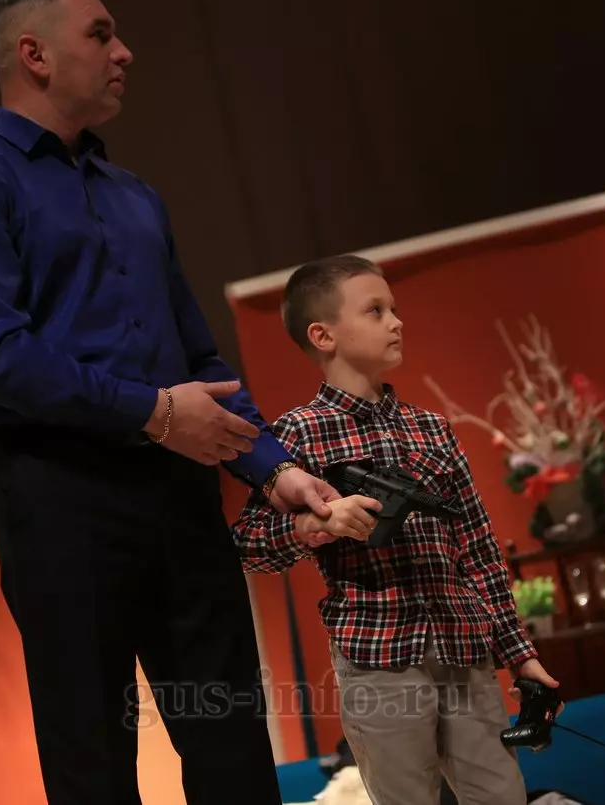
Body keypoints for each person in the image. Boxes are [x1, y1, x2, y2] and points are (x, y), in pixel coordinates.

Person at [0, 0, 340, 805]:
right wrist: (153, 412)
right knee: (94, 760)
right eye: (101, 34)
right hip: (57, 499)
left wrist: (274, 467)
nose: (125, 52)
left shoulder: (137, 197)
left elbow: (199, 358)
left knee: (231, 742)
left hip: (178, 494)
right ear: (34, 54)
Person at [233, 255, 561, 805]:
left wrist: (519, 653)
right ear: (323, 335)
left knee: (502, 796)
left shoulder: (431, 429)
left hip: (463, 647)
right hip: (377, 655)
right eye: (375, 311)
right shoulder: (298, 435)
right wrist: (315, 524)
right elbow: (247, 544)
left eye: (394, 309)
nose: (396, 322)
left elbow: (478, 549)